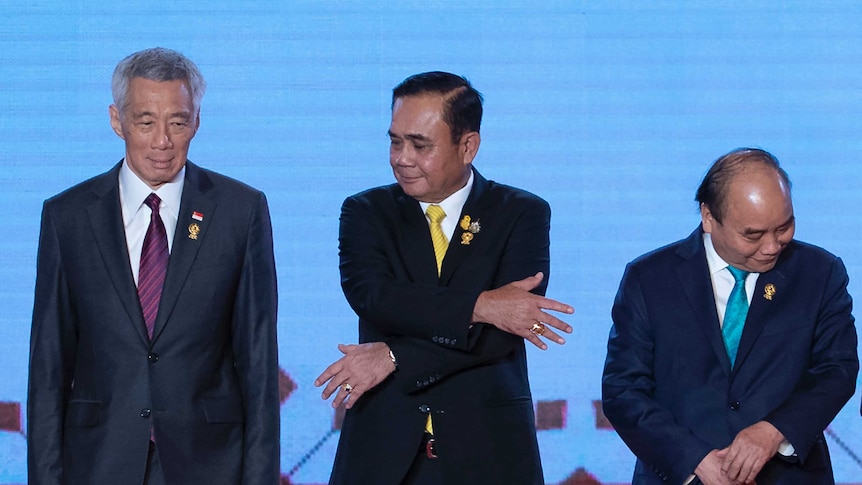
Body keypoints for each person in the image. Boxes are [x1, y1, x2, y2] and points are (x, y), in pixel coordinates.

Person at [27, 47, 280, 485]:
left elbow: (258, 365)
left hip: (209, 464)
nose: (162, 141)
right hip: (98, 462)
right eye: (145, 122)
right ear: (116, 120)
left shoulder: (240, 210)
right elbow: (48, 368)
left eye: (178, 122)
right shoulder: (67, 216)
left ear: (196, 122)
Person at [314, 71, 574, 485]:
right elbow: (376, 297)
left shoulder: (521, 213)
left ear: (467, 145)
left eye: (420, 145)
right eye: (395, 141)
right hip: (383, 449)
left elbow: (503, 334)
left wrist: (395, 356)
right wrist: (480, 306)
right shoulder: (366, 211)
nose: (402, 157)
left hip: (489, 451)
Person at [602, 148, 858, 485]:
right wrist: (696, 461)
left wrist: (773, 432)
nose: (771, 246)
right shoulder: (649, 279)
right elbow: (623, 391)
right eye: (753, 234)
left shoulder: (819, 273)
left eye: (784, 227)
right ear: (708, 217)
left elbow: (836, 371)